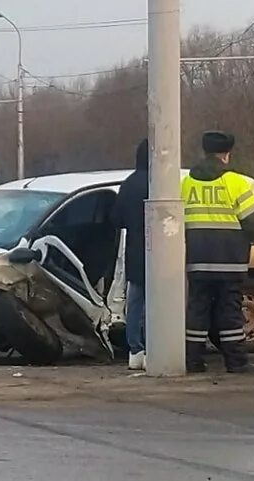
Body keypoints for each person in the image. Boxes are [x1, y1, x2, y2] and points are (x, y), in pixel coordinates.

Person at [181, 131, 254, 374]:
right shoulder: (236, 182)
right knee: (230, 310)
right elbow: (252, 221)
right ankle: (235, 362)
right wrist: (250, 241)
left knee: (197, 309)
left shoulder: (186, 183)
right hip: (230, 259)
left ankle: (193, 361)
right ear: (226, 154)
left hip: (197, 259)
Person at [111, 139, 149, 371]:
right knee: (157, 304)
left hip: (135, 250)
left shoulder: (128, 184)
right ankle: (155, 348)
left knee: (134, 304)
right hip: (162, 252)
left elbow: (116, 219)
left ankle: (135, 350)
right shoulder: (161, 183)